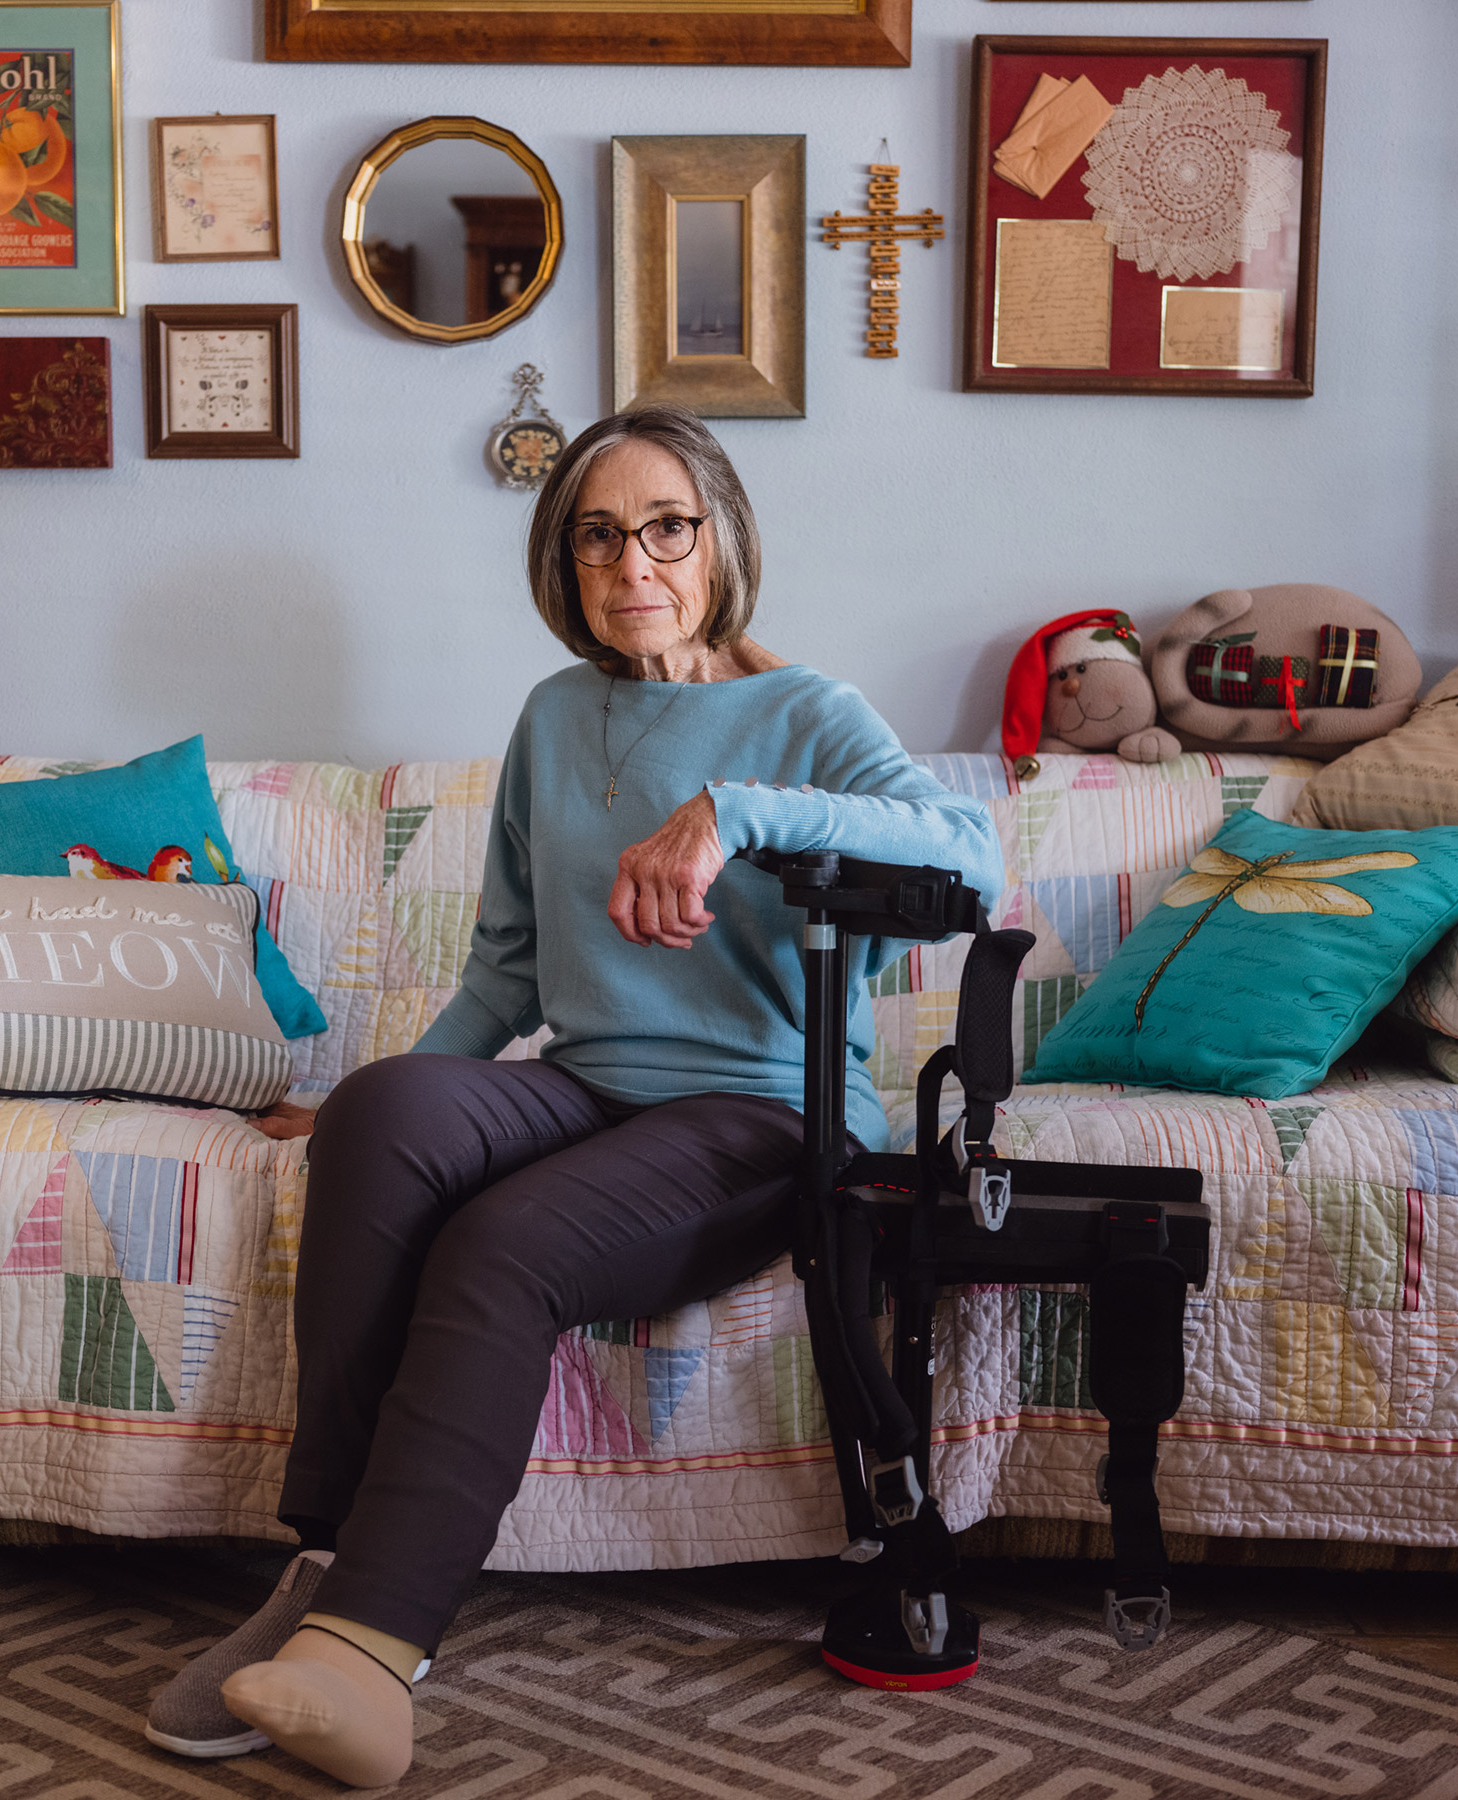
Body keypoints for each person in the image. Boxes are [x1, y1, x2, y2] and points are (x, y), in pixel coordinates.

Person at [144, 404, 1003, 1787]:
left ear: (722, 539)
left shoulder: (808, 713)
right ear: (564, 563)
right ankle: (322, 1568)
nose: (632, 564)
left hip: (770, 1112)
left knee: (505, 1244)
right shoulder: (555, 714)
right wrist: (383, 1089)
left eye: (667, 528)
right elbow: (508, 965)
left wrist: (733, 811)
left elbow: (971, 857)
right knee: (381, 1112)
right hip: (591, 1082)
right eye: (597, 537)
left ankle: (372, 1650)